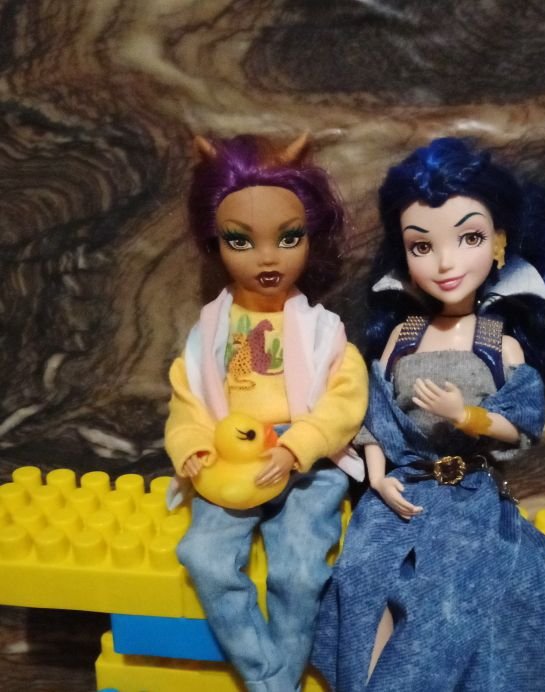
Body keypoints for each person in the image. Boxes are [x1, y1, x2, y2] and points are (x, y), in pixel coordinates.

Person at [312, 137, 545, 691]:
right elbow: (373, 416)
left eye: (468, 238)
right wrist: (377, 475)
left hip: (468, 498)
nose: (446, 263)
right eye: (422, 246)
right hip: (399, 492)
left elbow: (520, 425)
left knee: (449, 600)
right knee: (359, 578)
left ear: (498, 243)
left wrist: (466, 415)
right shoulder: (403, 337)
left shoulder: (499, 344)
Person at [164, 133, 368, 692]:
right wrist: (193, 445)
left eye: (288, 237)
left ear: (310, 236)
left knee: (299, 572)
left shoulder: (324, 332)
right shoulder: (209, 332)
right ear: (216, 242)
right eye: (241, 240)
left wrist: (298, 445)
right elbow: (187, 399)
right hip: (229, 461)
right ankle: (269, 678)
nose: (268, 256)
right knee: (203, 558)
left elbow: (346, 400)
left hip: (308, 466)